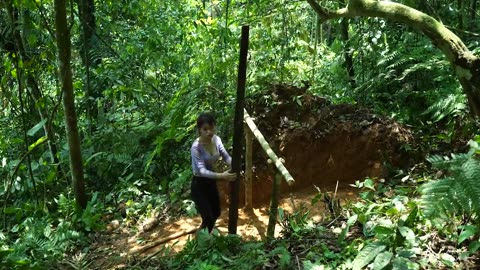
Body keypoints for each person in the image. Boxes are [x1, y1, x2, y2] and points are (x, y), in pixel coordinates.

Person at [191, 112, 236, 233]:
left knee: (216, 213)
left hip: (211, 182)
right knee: (209, 217)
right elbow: (201, 170)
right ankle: (201, 243)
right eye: (205, 129)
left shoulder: (217, 140)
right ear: (199, 130)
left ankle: (202, 236)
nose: (209, 132)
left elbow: (226, 156)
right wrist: (223, 176)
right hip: (199, 185)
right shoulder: (196, 147)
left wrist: (234, 165)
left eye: (211, 128)